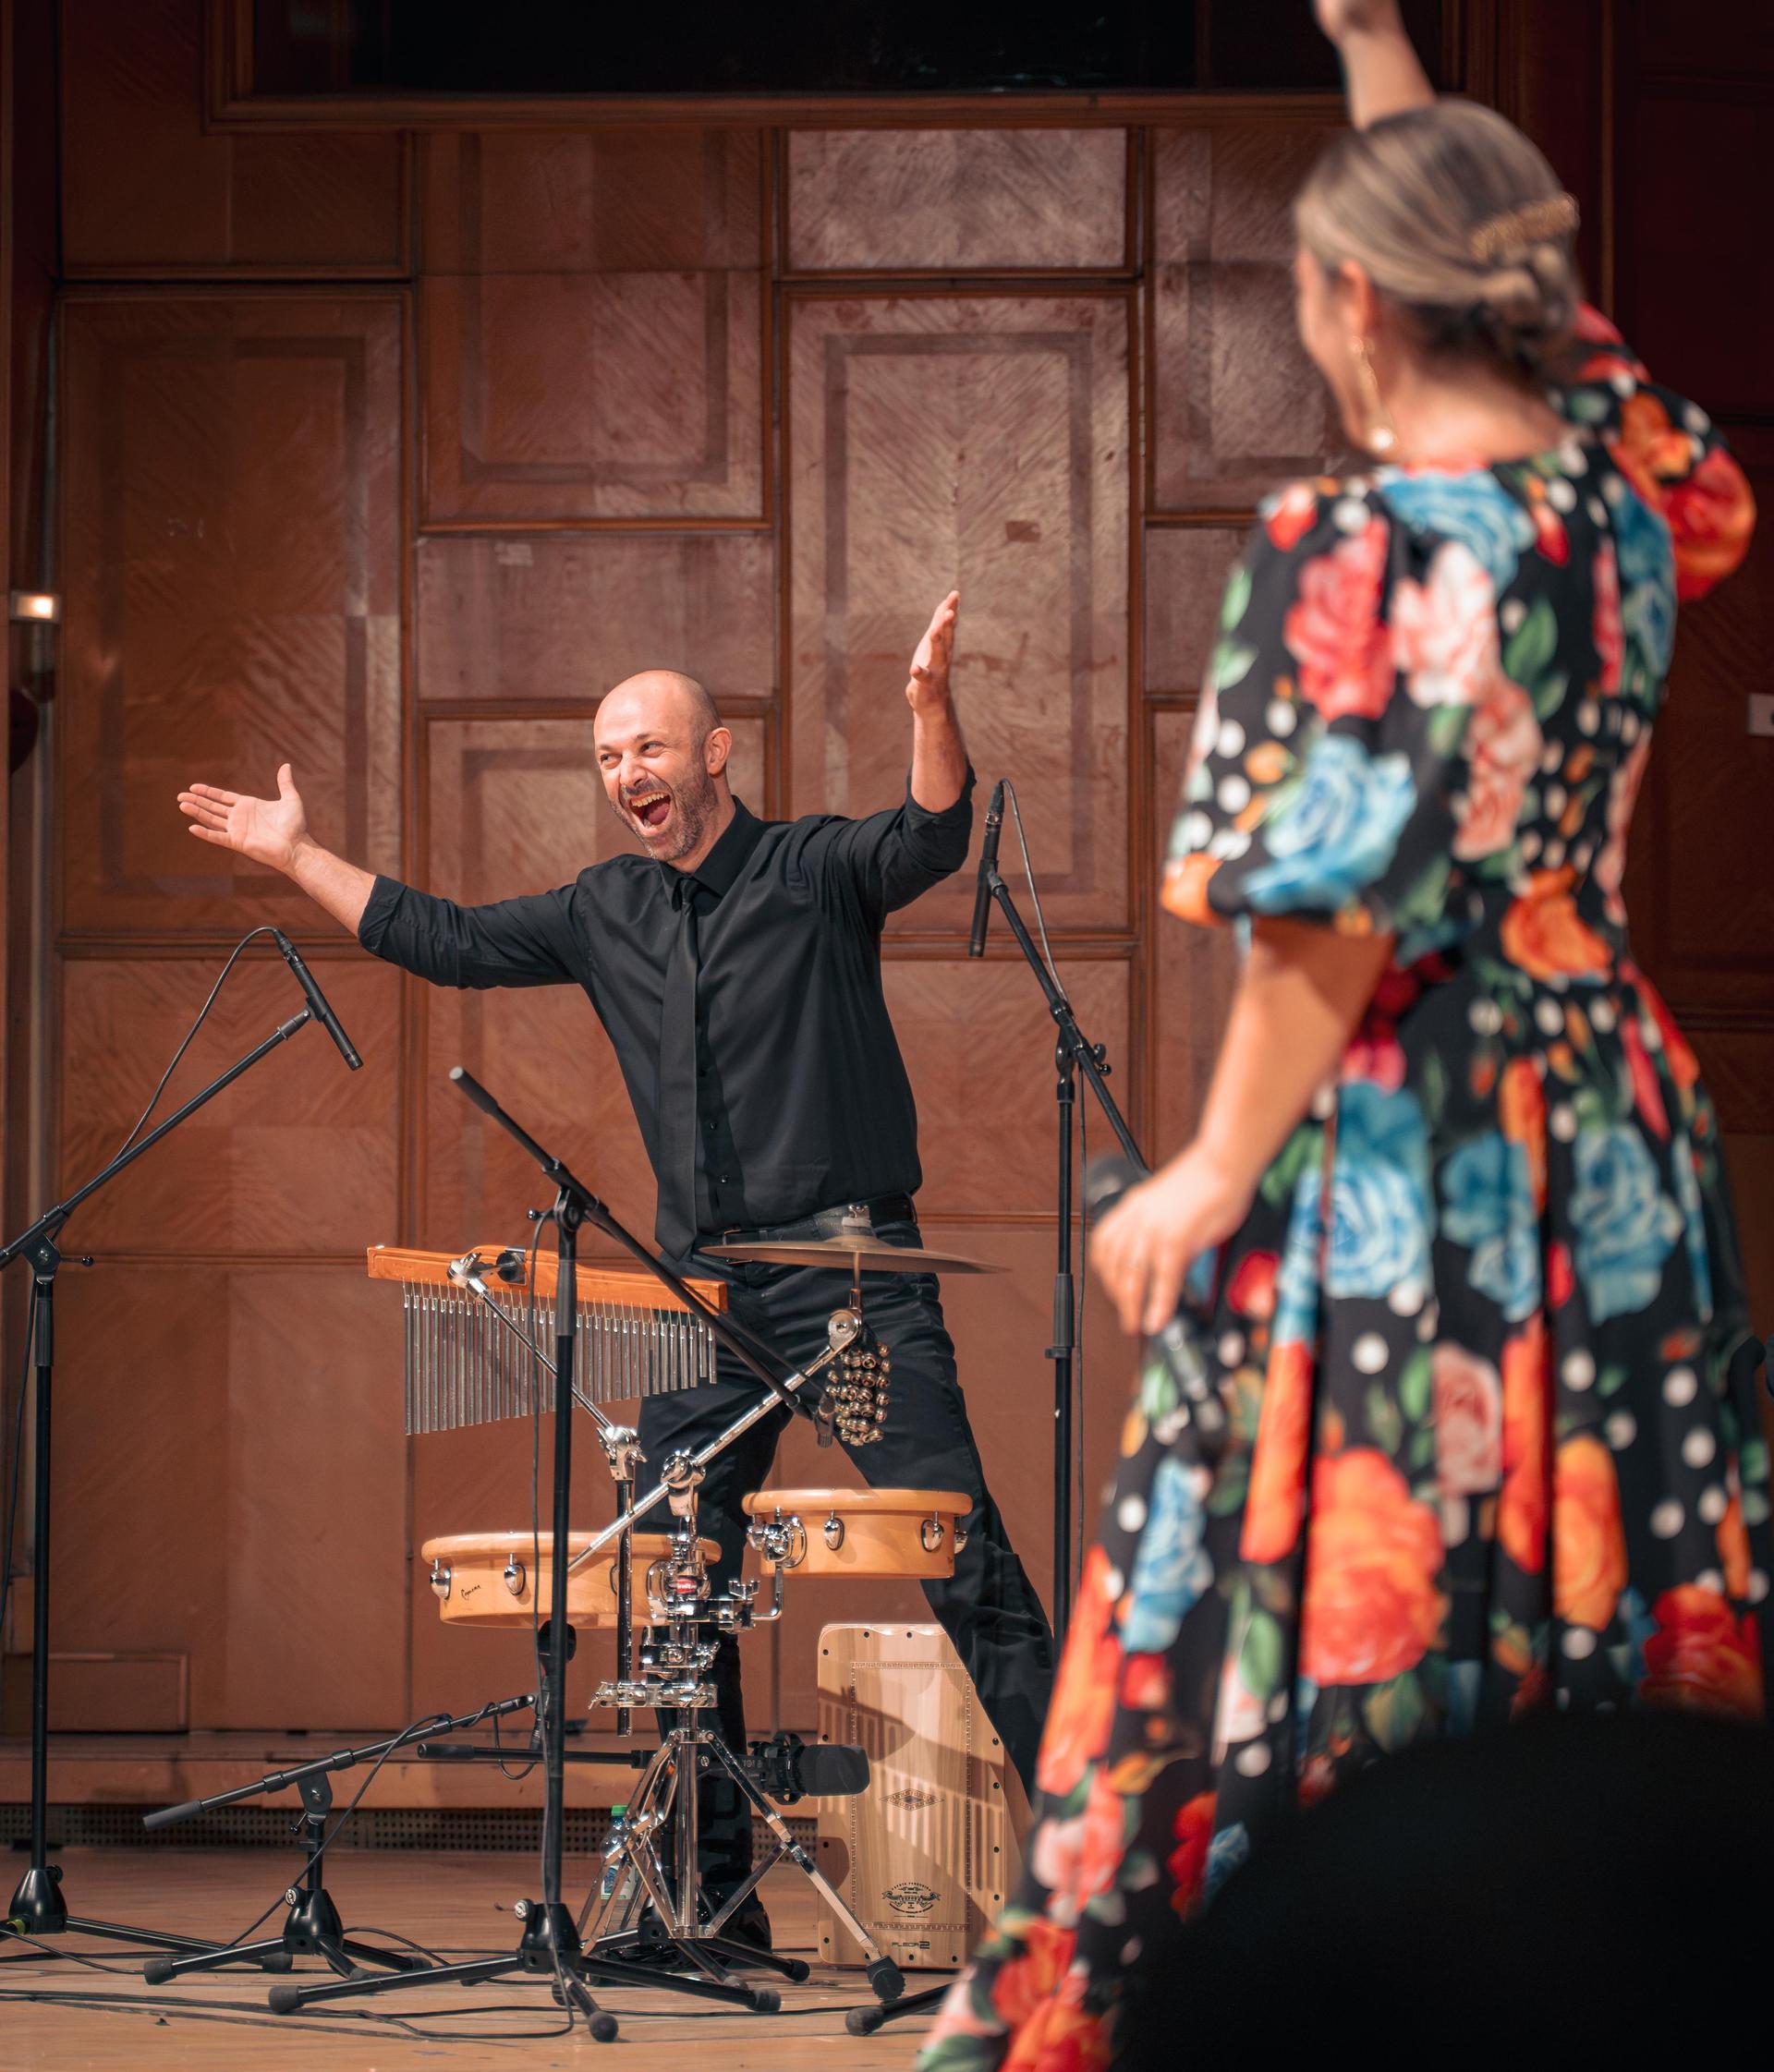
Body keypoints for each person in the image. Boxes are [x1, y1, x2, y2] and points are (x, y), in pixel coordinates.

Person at [919, 4, 1762, 2066]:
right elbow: (1589, 377)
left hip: (1405, 1127)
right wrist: (1385, 63)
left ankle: (1269, 1991)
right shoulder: (1630, 520)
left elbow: (1334, 908)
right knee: (1572, 1546)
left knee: (1285, 1561)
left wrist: (1214, 1165)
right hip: (1604, 1123)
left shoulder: (1358, 547)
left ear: (1354, 303)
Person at [177, 592, 1054, 1946]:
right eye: (607, 758)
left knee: (962, 1558)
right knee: (673, 1577)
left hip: (852, 1281)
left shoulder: (812, 872)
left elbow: (931, 832)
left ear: (715, 757)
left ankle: (1106, 1856)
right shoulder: (606, 912)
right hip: (701, 1296)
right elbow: (450, 943)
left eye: (648, 749)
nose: (628, 775)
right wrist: (301, 857)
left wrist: (930, 711)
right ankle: (713, 1897)